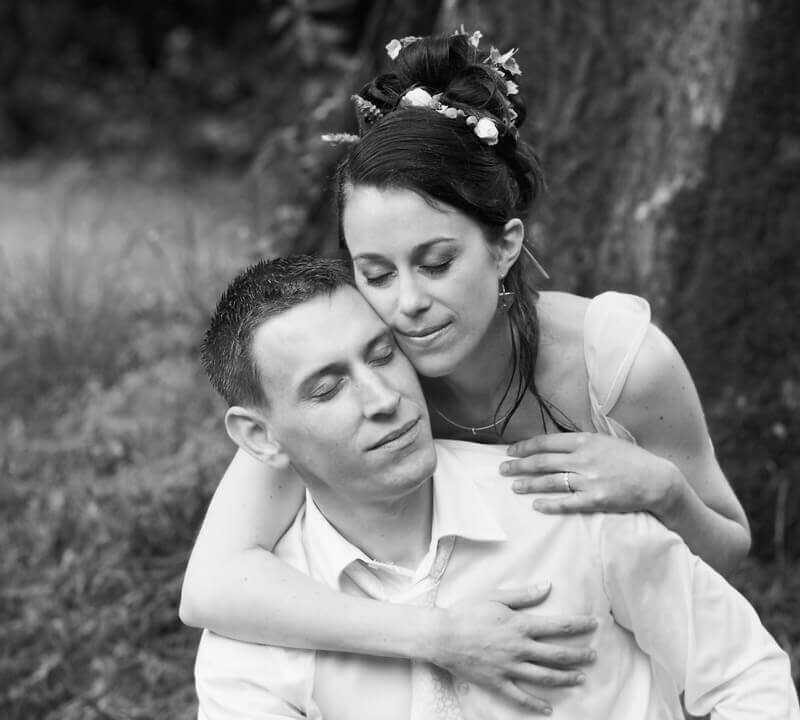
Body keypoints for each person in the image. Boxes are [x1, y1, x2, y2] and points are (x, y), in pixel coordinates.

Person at [180, 29, 752, 713]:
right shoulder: (371, 376)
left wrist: (665, 492)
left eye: (436, 263)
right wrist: (437, 636)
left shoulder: (616, 364)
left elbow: (728, 555)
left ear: (504, 246)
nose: (408, 304)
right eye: (376, 273)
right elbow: (212, 588)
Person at [194, 255, 799, 720]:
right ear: (260, 437)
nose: (383, 400)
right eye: (327, 390)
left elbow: (745, 674)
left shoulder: (566, 504)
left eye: (382, 356)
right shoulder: (260, 634)